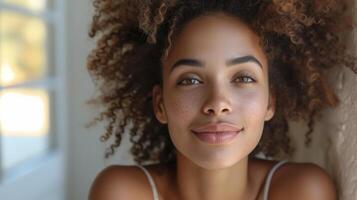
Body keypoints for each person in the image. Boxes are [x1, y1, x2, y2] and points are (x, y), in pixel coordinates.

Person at [86, 0, 357, 199]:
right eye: (190, 80)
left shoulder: (301, 190)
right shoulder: (121, 192)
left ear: (270, 102)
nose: (217, 102)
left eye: (243, 78)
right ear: (160, 104)